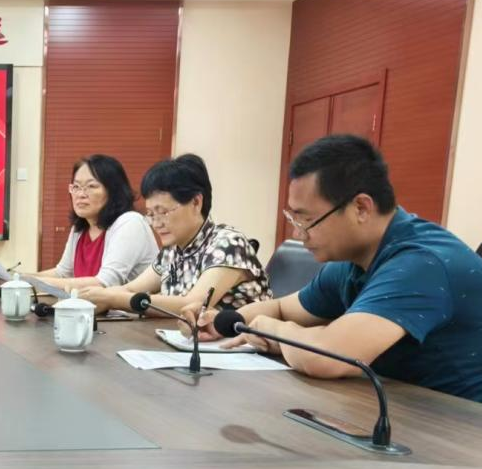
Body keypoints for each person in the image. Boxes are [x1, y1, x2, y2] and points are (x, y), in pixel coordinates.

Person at [195, 134, 482, 402]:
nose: (297, 233)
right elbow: (282, 308)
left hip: (457, 425)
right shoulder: (354, 261)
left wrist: (274, 332)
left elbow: (326, 357)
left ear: (361, 208)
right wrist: (224, 323)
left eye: (307, 220)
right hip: (396, 405)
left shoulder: (421, 263)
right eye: (294, 219)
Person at [76, 153, 269, 314]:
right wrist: (93, 297)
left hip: (238, 345)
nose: (156, 223)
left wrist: (112, 299)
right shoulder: (172, 250)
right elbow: (131, 288)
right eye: (151, 214)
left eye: (162, 212)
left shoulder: (228, 244)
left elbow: (193, 304)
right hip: (185, 340)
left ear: (196, 202)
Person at [32, 154, 157, 290]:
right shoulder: (80, 227)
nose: (80, 194)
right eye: (76, 187)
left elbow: (105, 283)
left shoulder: (130, 223)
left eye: (91, 186)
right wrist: (21, 278)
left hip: (123, 304)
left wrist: (31, 283)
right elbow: (62, 273)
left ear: (113, 191)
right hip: (86, 303)